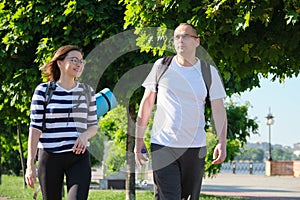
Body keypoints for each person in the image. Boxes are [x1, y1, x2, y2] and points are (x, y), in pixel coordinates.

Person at [135, 23, 227, 200]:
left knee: (189, 197)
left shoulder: (208, 72)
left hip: (195, 148)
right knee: (168, 196)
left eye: (185, 36)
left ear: (196, 41)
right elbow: (146, 103)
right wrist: (139, 139)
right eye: (176, 37)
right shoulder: (161, 66)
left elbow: (219, 109)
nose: (180, 40)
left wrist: (221, 141)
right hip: (163, 145)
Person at [25, 45, 98, 200]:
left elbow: (93, 125)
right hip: (50, 157)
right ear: (60, 62)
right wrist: (30, 165)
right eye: (74, 60)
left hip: (78, 158)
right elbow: (35, 128)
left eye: (81, 61)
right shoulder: (43, 91)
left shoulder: (87, 91)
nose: (79, 64)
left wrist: (85, 135)